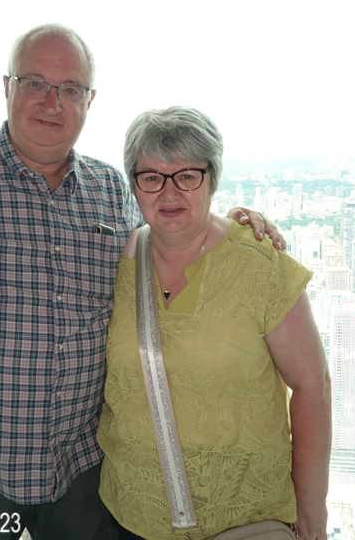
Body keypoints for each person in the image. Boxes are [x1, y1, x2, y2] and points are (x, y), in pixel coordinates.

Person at [0, 24, 285, 540]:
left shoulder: (109, 187)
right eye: (35, 84)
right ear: (7, 87)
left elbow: (166, 242)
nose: (52, 102)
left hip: (85, 468)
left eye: (70, 89)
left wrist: (239, 224)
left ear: (89, 100)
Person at [97, 106, 332, 540]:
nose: (169, 193)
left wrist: (311, 508)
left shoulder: (260, 264)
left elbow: (312, 385)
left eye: (187, 175)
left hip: (245, 517)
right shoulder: (114, 261)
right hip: (130, 516)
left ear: (213, 178)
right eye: (151, 177)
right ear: (133, 185)